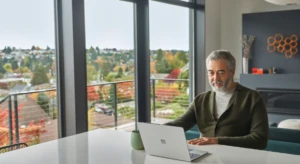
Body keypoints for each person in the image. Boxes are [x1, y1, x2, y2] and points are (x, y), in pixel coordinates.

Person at [165, 50, 269, 150]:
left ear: (232, 72)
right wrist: (154, 130)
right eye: (211, 73)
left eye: (221, 72)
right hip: (205, 157)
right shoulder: (200, 100)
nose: (215, 78)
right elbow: (180, 124)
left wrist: (218, 141)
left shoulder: (252, 98)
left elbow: (260, 140)